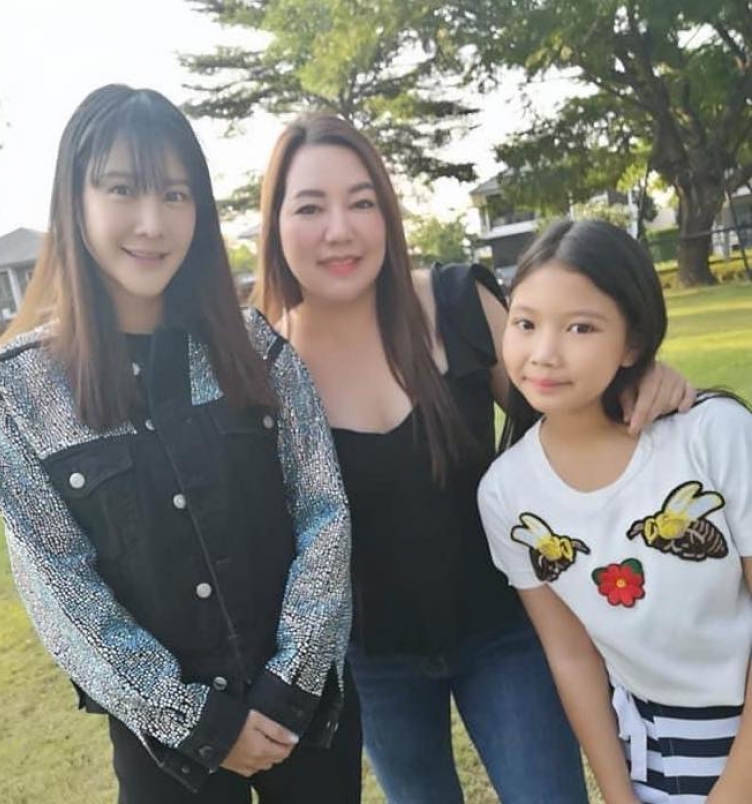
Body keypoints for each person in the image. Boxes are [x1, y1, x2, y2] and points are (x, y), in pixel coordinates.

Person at [253, 114, 696, 804]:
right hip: (373, 660)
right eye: (310, 207)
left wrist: (639, 380)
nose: (340, 230)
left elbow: (566, 398)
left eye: (362, 202)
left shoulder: (459, 300)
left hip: (507, 630)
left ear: (387, 213)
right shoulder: (262, 368)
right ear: (276, 223)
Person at [0, 85, 361, 804]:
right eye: (123, 189)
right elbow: (59, 586)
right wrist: (197, 722)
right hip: (167, 757)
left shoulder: (258, 349)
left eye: (176, 195)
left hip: (307, 720)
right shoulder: (15, 393)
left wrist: (289, 686)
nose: (152, 223)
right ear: (74, 199)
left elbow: (324, 513)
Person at [478, 218, 752, 803]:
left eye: (580, 327)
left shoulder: (714, 435)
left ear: (633, 341)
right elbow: (571, 655)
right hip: (651, 752)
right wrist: (618, 794)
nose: (544, 354)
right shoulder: (506, 493)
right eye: (525, 323)